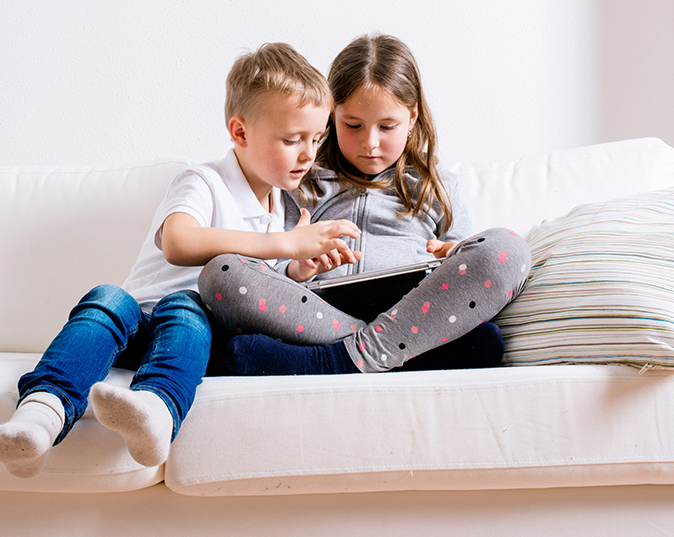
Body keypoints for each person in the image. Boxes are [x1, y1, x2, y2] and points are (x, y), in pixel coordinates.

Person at [0, 42, 360, 477]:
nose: (308, 155)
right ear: (239, 133)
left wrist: (298, 269)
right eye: (292, 140)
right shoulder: (203, 181)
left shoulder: (285, 208)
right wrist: (286, 245)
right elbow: (178, 242)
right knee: (109, 296)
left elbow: (258, 288)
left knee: (186, 307)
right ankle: (38, 416)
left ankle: (155, 411)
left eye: (316, 139)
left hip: (186, 338)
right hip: (132, 326)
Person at [198, 34, 530, 376]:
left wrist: (452, 252)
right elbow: (270, 264)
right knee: (219, 272)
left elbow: (468, 261)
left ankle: (334, 360)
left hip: (415, 312)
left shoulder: (437, 184)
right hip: (318, 314)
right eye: (352, 126)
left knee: (509, 250)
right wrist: (295, 268)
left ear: (412, 118)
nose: (369, 143)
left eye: (387, 127)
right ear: (330, 117)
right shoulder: (301, 178)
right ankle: (383, 355)